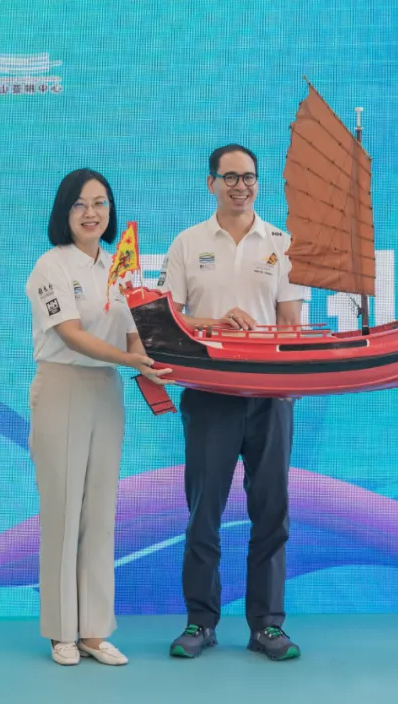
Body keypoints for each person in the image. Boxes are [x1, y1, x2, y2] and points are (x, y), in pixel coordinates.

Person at [157, 144, 305, 661]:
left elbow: (290, 322)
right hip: (210, 393)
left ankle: (267, 625)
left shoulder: (281, 243)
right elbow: (168, 320)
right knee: (204, 512)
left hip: (270, 394)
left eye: (249, 177)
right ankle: (200, 622)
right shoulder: (188, 243)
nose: (241, 186)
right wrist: (214, 325)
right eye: (230, 177)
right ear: (211, 183)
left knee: (272, 511)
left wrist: (284, 372)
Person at [25, 168, 170, 667]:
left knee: (101, 513)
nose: (92, 213)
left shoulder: (117, 268)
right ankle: (60, 631)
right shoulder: (50, 266)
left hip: (107, 390)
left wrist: (157, 355)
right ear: (63, 211)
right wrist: (130, 359)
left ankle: (93, 630)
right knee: (63, 511)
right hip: (63, 386)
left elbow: (135, 332)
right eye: (80, 204)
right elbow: (70, 333)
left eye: (101, 203)